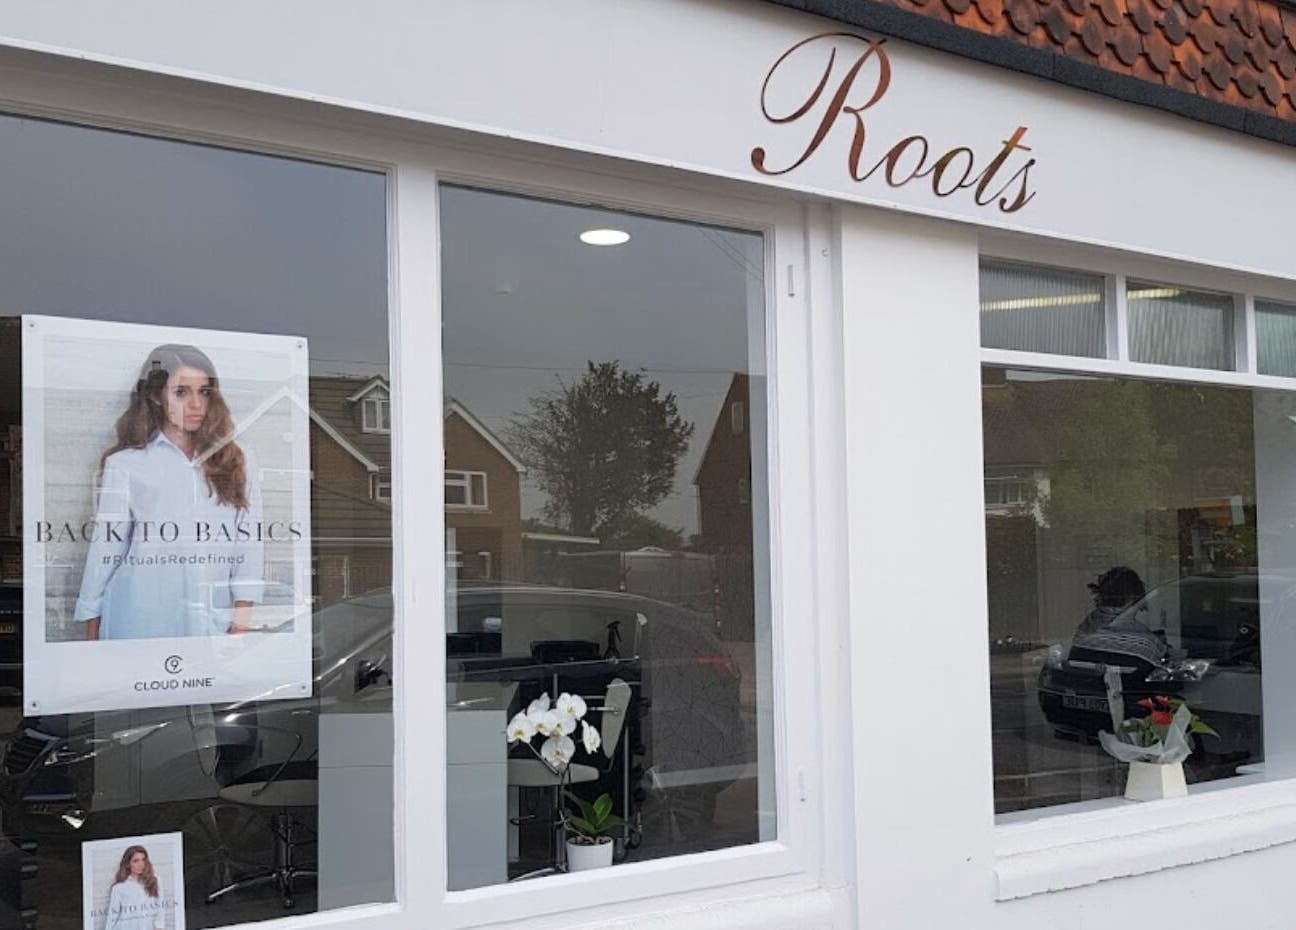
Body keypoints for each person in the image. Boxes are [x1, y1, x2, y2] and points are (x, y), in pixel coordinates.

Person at [73, 344, 264, 640]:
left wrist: (241, 621)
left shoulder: (237, 460)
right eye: (181, 392)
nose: (196, 404)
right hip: (138, 617)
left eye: (204, 392)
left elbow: (248, 547)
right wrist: (92, 624)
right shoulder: (125, 464)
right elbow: (106, 549)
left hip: (212, 624)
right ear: (155, 396)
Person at [104, 845, 166, 930]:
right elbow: (112, 916)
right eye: (135, 861)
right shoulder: (118, 887)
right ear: (128, 864)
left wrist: (159, 927)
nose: (141, 864)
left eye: (143, 860)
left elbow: (160, 909)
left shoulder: (155, 881)